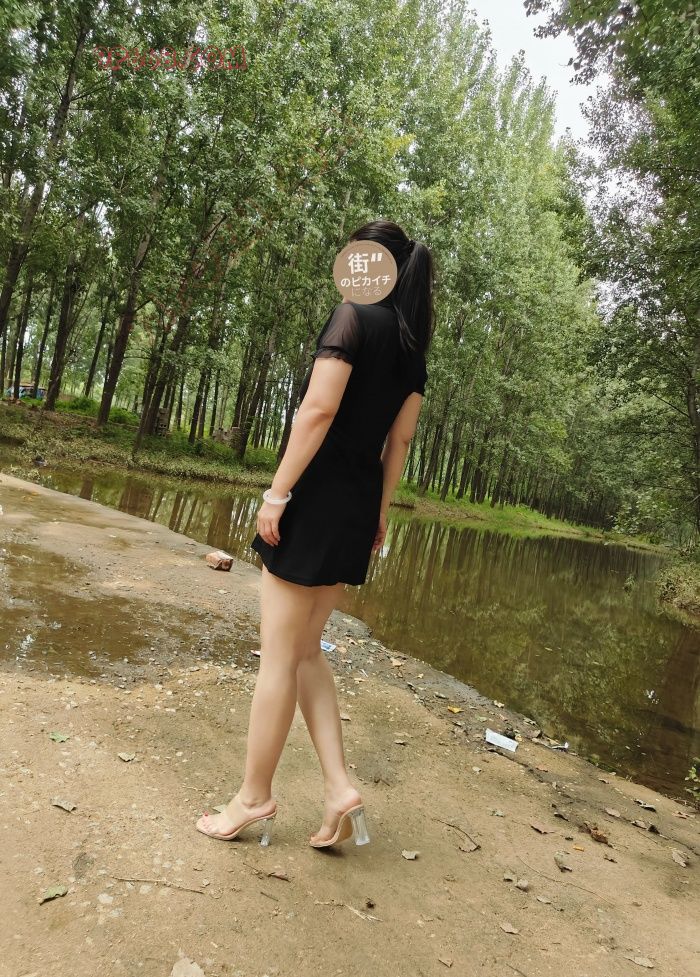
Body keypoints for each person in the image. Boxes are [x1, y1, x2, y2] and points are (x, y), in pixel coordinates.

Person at [195, 219, 435, 849]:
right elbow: (400, 440)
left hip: (317, 494)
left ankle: (253, 798)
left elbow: (318, 409)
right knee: (305, 652)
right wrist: (380, 511)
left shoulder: (353, 318)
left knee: (280, 655)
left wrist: (277, 492)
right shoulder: (412, 349)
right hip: (356, 505)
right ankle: (338, 789)